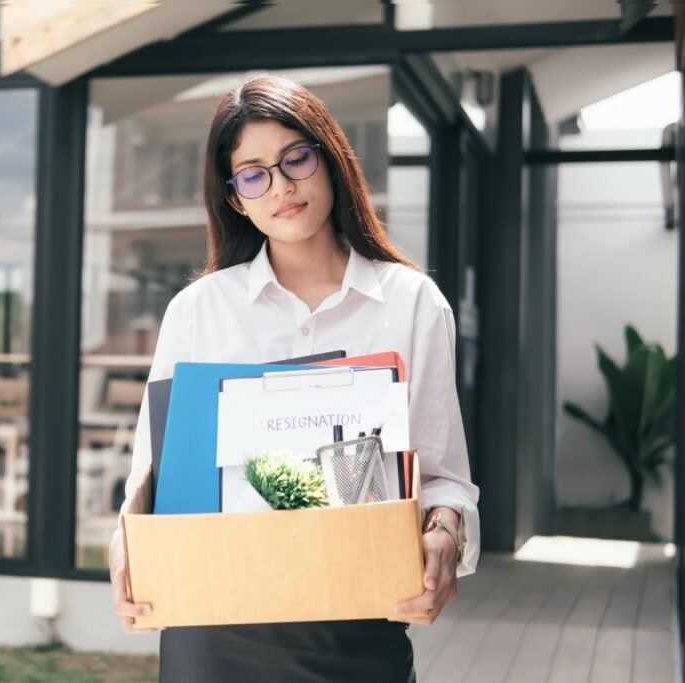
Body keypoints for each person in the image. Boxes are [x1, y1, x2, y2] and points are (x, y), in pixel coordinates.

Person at [109, 74, 479, 681]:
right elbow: (149, 480)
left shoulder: (412, 303)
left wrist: (443, 531)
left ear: (328, 159)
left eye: (295, 159)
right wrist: (124, 546)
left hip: (357, 628)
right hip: (212, 631)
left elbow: (444, 479)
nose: (280, 186)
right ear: (236, 198)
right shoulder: (199, 310)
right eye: (253, 173)